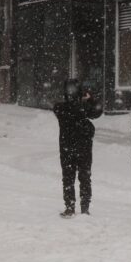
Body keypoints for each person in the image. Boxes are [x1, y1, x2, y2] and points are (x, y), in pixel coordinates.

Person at [53, 79, 103, 217]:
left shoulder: (60, 108)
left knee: (68, 177)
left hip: (66, 148)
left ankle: (70, 206)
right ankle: (85, 207)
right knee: (85, 177)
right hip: (84, 148)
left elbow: (60, 107)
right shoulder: (84, 108)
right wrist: (90, 99)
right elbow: (98, 111)